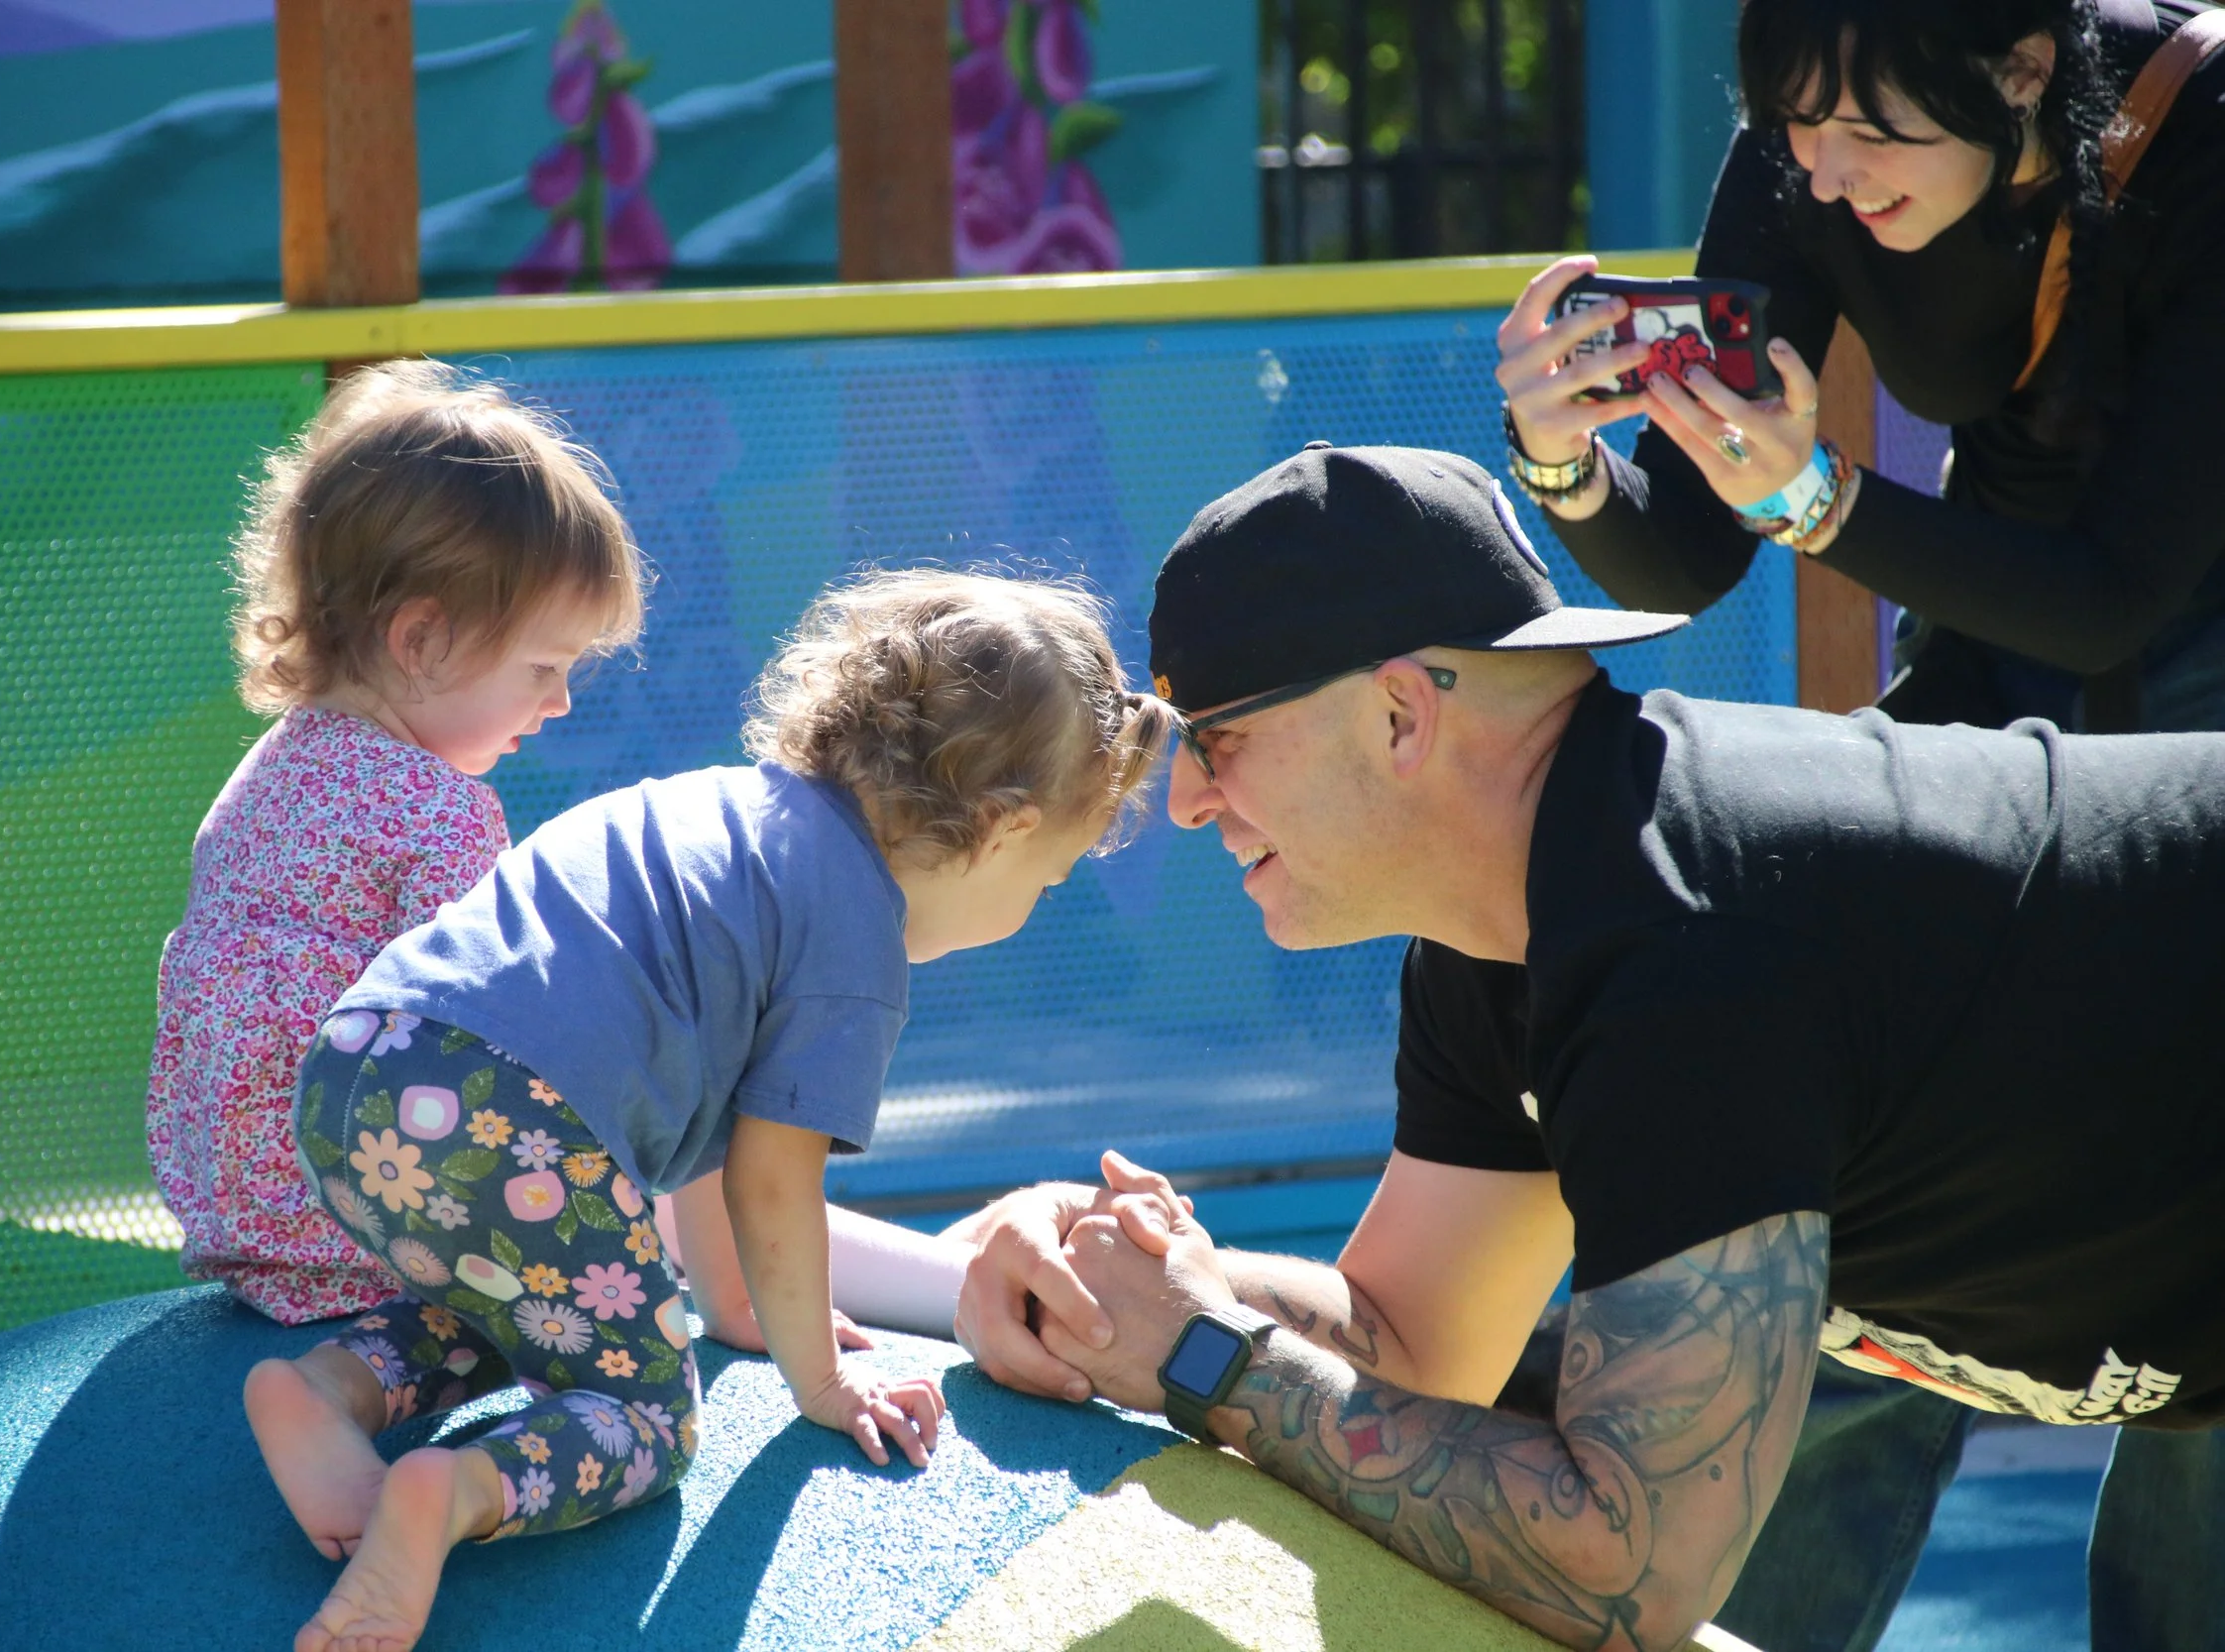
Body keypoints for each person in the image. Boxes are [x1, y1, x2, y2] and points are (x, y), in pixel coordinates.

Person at [953, 444, 2225, 1652]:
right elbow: (1413, 1344)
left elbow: (1627, 1568)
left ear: (1400, 713)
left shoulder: (1683, 936)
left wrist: (1203, 1352)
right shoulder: (1504, 929)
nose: (1182, 799)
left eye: (1216, 737)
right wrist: (1142, 1273)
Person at [251, 569, 1173, 1652]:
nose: (1034, 904)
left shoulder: (733, 813)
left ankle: (331, 1388)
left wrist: (734, 1305)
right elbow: (769, 1176)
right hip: (508, 1108)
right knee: (646, 1412)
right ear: (1002, 829)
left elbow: (703, 1127)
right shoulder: (853, 938)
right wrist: (819, 1378)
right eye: (1050, 877)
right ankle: (450, 1491)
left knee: (537, 1302)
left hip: (363, 1072)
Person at [147, 359, 970, 1348]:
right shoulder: (437, 814)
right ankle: (941, 1290)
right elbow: (505, 1044)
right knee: (646, 1179)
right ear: (421, 638)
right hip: (374, 1235)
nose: (560, 702)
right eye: (544, 666)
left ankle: (936, 1279)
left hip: (247, 1227)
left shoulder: (273, 771)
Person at [1497, 0, 2225, 734]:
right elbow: (1687, 551)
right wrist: (1565, 464)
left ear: (2024, 71)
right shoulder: (1809, 134)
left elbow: (2109, 599)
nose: (1828, 178)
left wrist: (1814, 498)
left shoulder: (2204, 126)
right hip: (1991, 644)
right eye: (1801, 117)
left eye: (1874, 131)